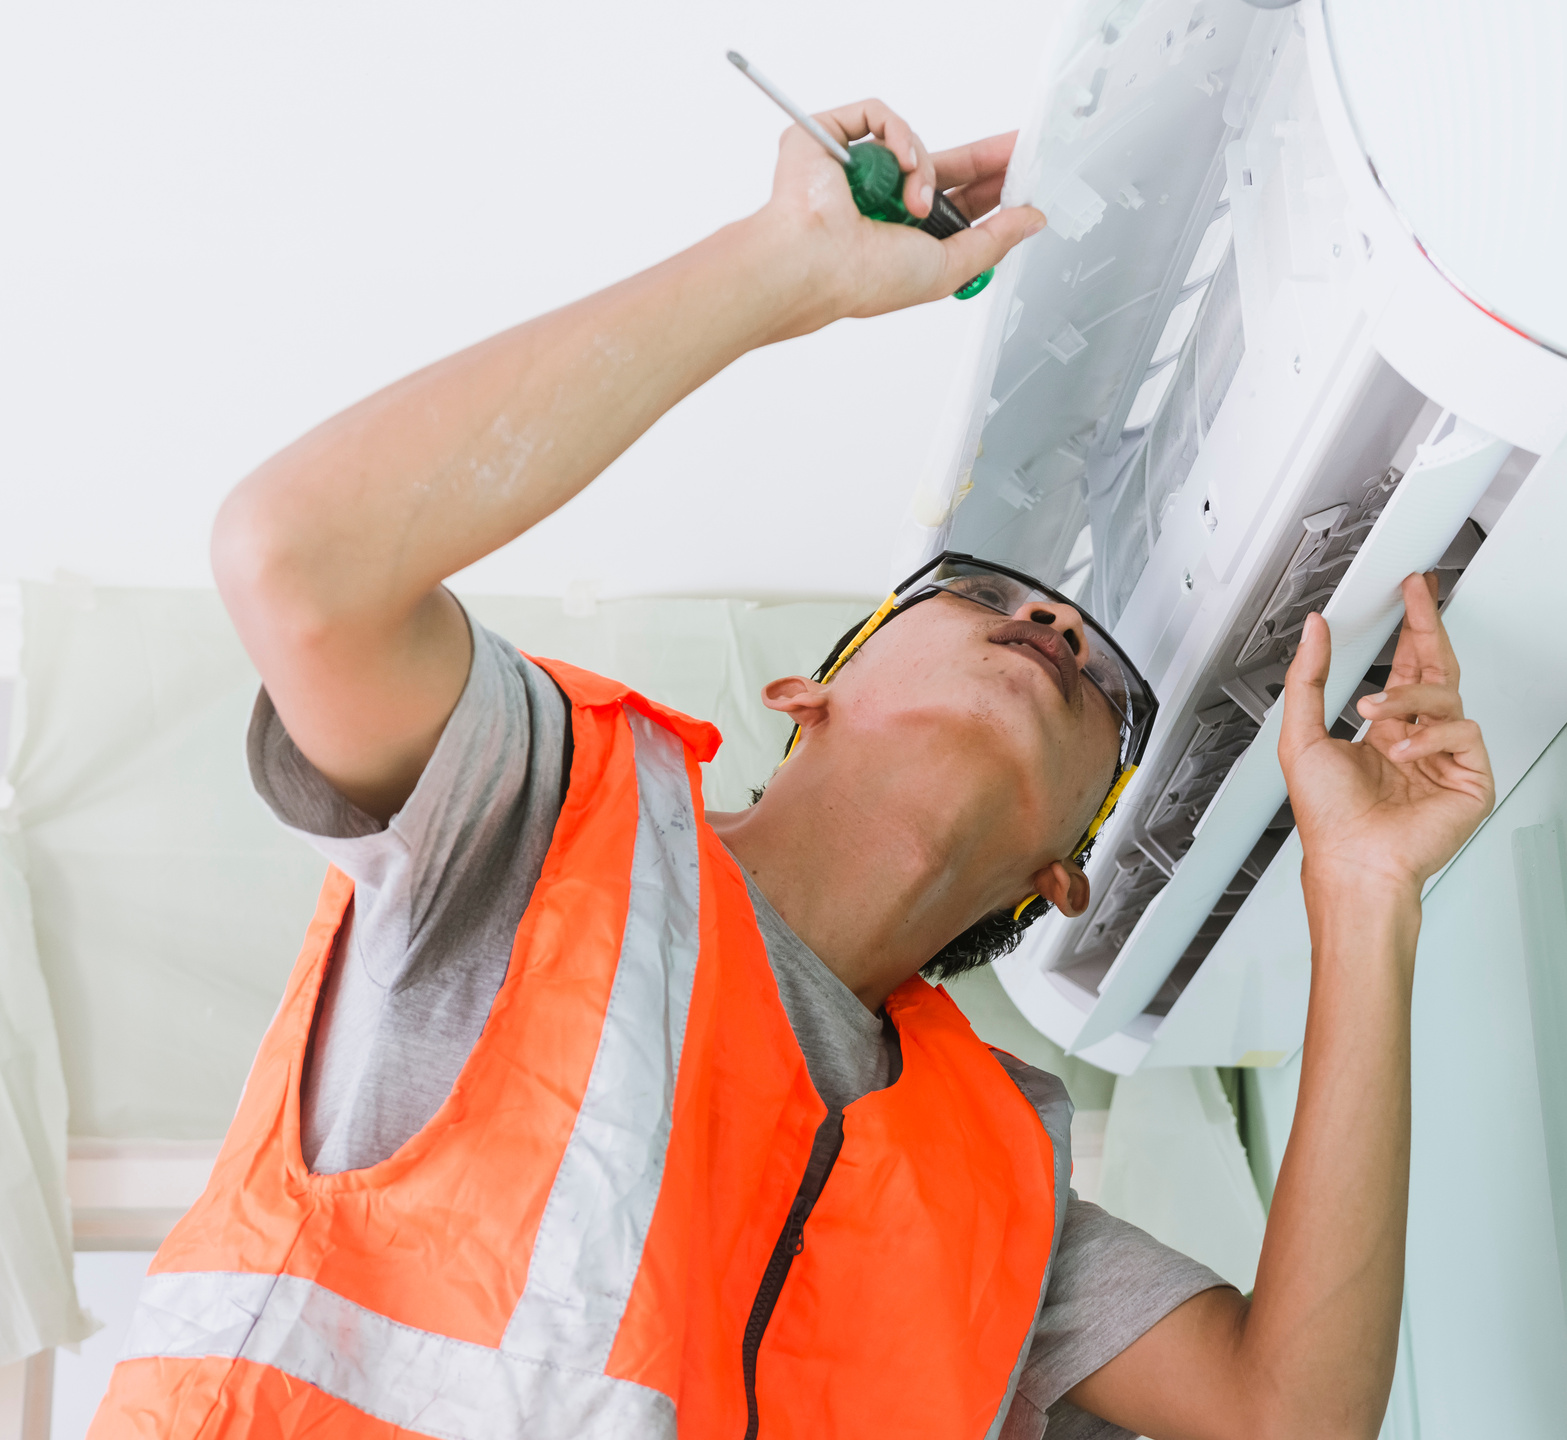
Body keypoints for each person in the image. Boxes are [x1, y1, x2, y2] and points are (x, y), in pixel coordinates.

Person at [90, 100, 1495, 1440]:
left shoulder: (996, 1204)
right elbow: (298, 562)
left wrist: (1362, 894)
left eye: (1103, 691)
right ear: (806, 692)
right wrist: (785, 271)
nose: (1055, 623)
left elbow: (1289, 1410)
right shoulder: (547, 824)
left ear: (1069, 868)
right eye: (979, 596)